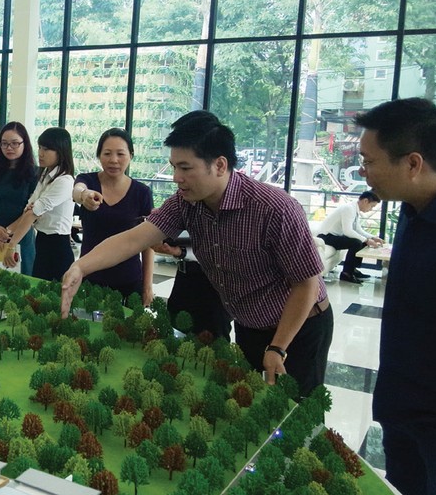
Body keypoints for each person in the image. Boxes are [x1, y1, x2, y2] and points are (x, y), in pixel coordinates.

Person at [61, 111, 332, 396]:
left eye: (185, 168)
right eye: (174, 167)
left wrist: (278, 347)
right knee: (256, 402)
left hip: (299, 327)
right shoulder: (185, 203)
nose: (176, 178)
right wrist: (81, 266)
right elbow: (132, 240)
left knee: (296, 409)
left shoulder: (274, 209)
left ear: (219, 165)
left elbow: (307, 284)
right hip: (249, 325)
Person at [356, 97, 436, 495]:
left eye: (369, 161)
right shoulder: (414, 209)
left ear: (412, 163)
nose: (363, 171)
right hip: (403, 404)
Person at [73, 128, 154, 304]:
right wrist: (84, 195)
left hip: (129, 281)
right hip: (90, 277)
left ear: (131, 155)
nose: (113, 160)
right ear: (99, 155)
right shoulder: (88, 181)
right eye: (107, 153)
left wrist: (147, 286)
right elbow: (77, 190)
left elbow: (149, 242)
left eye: (120, 154)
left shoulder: (142, 193)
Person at [6, 127, 75, 281]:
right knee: (38, 290)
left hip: (58, 245)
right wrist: (33, 211)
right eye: (40, 147)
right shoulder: (45, 175)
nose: (41, 153)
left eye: (47, 149)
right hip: (42, 241)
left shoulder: (64, 181)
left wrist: (11, 245)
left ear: (61, 151)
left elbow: (32, 212)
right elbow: (30, 207)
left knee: (55, 293)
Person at [0, 121, 38, 275]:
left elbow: (33, 209)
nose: (9, 148)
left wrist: (6, 233)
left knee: (21, 280)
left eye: (15, 143)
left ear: (25, 144)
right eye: (4, 144)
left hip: (20, 235)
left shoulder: (35, 173)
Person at [160, 234, 232, 340]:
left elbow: (222, 247)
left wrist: (183, 252)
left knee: (212, 341)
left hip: (213, 283)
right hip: (184, 277)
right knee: (174, 333)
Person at [315, 191, 384, 283]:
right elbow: (348, 231)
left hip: (334, 236)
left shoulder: (354, 209)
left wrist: (372, 237)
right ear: (365, 201)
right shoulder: (349, 209)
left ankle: (352, 269)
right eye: (372, 206)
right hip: (325, 237)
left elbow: (357, 229)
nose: (371, 209)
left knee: (361, 241)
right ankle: (346, 273)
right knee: (357, 242)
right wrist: (366, 240)